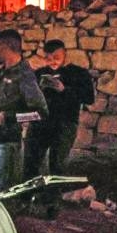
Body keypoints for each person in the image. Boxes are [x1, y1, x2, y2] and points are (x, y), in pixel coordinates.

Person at [23, 39, 94, 218]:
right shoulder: (40, 73)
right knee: (31, 162)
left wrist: (64, 89)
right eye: (48, 58)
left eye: (56, 57)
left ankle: (52, 205)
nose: (52, 62)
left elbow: (89, 98)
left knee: (57, 164)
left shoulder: (78, 74)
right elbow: (28, 98)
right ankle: (26, 201)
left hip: (65, 124)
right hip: (40, 124)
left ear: (65, 56)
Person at [0, 30, 47, 194]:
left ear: (5, 47)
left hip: (3, 144)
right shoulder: (2, 72)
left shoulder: (24, 76)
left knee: (3, 196)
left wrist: (8, 117)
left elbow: (40, 112)